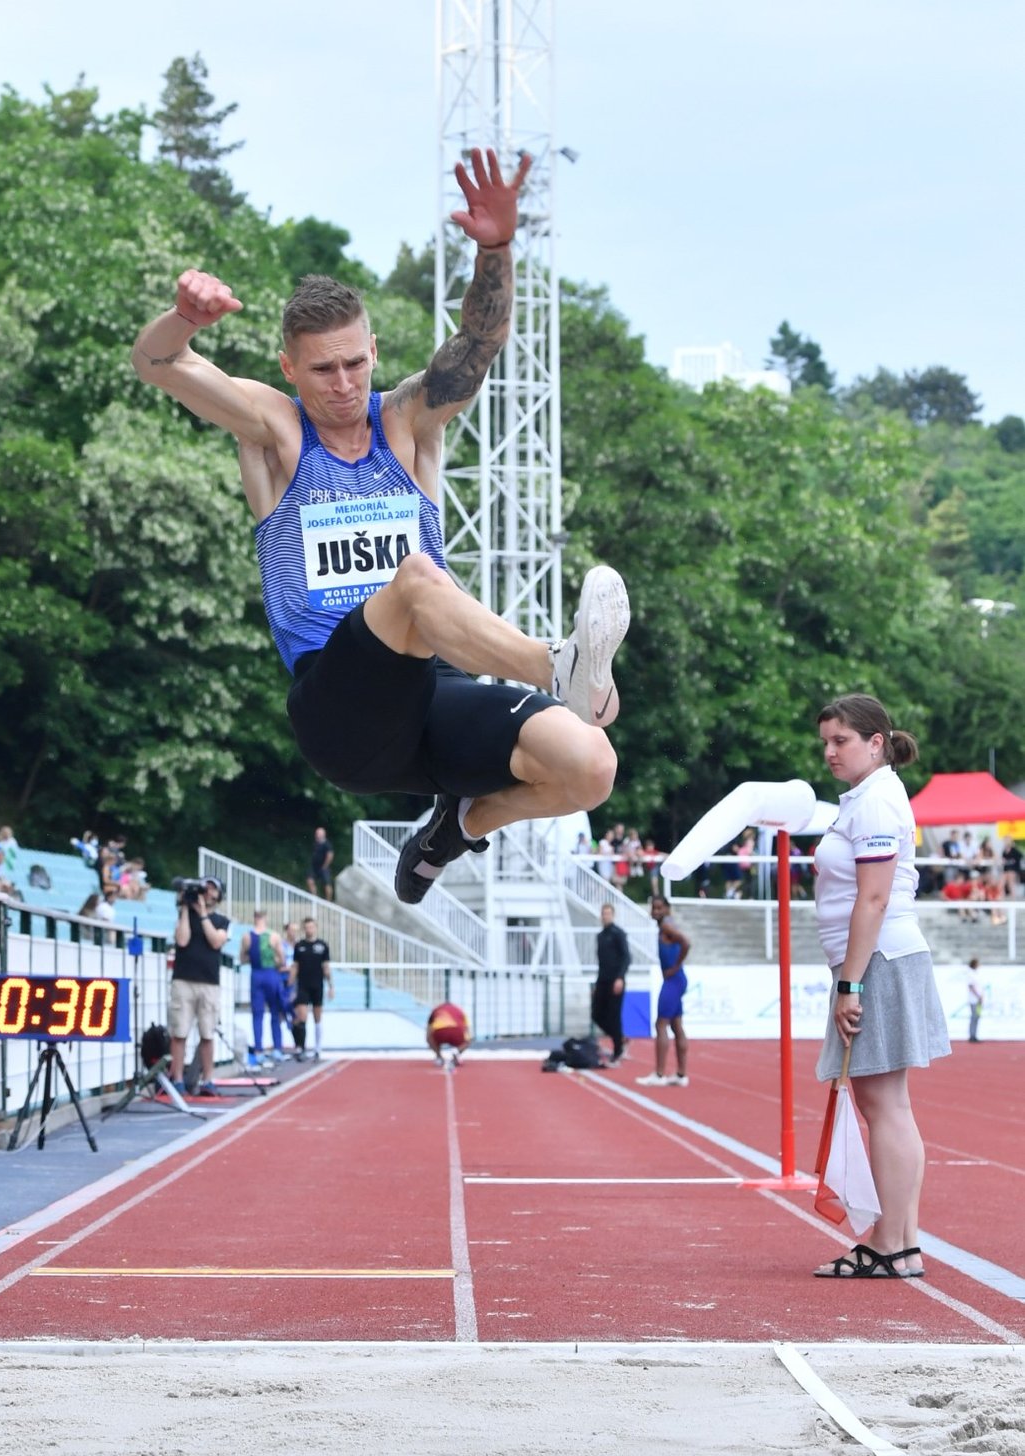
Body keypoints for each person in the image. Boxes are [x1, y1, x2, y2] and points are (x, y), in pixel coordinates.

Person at [131, 148, 628, 908]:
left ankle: (456, 826)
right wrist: (183, 319)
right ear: (289, 368)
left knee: (590, 765)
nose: (343, 385)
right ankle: (556, 667)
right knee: (418, 581)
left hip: (434, 697)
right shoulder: (275, 431)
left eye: (355, 365)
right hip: (340, 712)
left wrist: (494, 249)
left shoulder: (406, 423)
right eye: (323, 370)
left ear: (374, 353)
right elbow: (159, 363)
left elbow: (478, 345)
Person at [812, 693, 951, 1279]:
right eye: (825, 741)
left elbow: (873, 897)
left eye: (840, 741)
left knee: (885, 1104)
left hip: (878, 961)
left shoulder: (875, 801)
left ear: (875, 742)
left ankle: (892, 1241)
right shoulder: (871, 795)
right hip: (879, 958)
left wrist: (851, 983)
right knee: (887, 1103)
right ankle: (901, 1238)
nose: (829, 752)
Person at [167, 877, 230, 1095]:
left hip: (209, 983)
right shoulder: (185, 915)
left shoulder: (221, 921)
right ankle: (177, 1079)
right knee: (179, 1032)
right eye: (206, 887)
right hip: (183, 979)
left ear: (218, 896)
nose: (208, 891)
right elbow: (182, 941)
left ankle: (208, 1080)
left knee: (207, 1033)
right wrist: (186, 908)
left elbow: (215, 941)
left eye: (213, 888)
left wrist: (203, 913)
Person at [636, 896, 691, 1088]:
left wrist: (676, 966)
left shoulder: (667, 927)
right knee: (676, 1025)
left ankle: (659, 1074)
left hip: (673, 980)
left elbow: (686, 942)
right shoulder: (665, 926)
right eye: (654, 908)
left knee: (661, 1024)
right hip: (676, 979)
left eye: (660, 908)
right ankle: (681, 1074)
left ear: (667, 909)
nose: (656, 911)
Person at [240, 910, 287, 1067]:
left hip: (257, 975)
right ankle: (277, 1048)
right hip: (270, 975)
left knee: (258, 1014)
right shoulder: (274, 936)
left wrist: (255, 957)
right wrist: (273, 960)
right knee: (275, 1012)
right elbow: (282, 960)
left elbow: (242, 958)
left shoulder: (247, 937)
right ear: (265, 918)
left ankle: (259, 1049)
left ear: (254, 918)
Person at [289, 916, 334, 1059]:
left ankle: (317, 1048)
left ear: (315, 928)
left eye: (311, 927)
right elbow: (295, 966)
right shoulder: (299, 946)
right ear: (304, 929)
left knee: (317, 1018)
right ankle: (301, 1047)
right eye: (307, 927)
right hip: (303, 985)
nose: (309, 929)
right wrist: (290, 985)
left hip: (317, 986)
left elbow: (326, 967)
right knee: (301, 1016)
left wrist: (330, 986)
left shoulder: (322, 946)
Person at [592, 902, 631, 1064]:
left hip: (616, 981)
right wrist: (597, 984)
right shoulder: (600, 936)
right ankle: (620, 1038)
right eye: (603, 913)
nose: (605, 916)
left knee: (614, 1016)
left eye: (608, 913)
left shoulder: (619, 934)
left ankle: (617, 1050)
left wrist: (620, 978)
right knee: (597, 1014)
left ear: (613, 915)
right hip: (602, 980)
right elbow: (601, 962)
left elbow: (626, 958)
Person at [426, 1001, 472, 1067]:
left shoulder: (436, 1010)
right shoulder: (459, 1010)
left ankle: (439, 1057)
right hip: (457, 1030)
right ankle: (456, 1053)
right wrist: (467, 1041)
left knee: (431, 1039)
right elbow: (467, 1028)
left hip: (439, 1031)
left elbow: (429, 1029)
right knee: (467, 1041)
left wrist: (429, 1039)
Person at [307, 826, 334, 900]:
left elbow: (330, 855)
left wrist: (325, 866)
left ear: (323, 834)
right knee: (310, 881)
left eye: (319, 833)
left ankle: (328, 901)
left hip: (324, 867)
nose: (317, 835)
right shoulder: (315, 843)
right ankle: (315, 899)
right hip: (314, 867)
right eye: (317, 833)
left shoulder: (327, 844)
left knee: (327, 884)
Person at [967, 957, 984, 1043]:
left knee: (977, 1017)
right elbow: (971, 986)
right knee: (974, 1017)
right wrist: (978, 996)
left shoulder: (976, 974)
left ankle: (974, 1035)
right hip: (974, 1000)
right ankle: (972, 1035)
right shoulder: (971, 974)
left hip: (978, 1000)